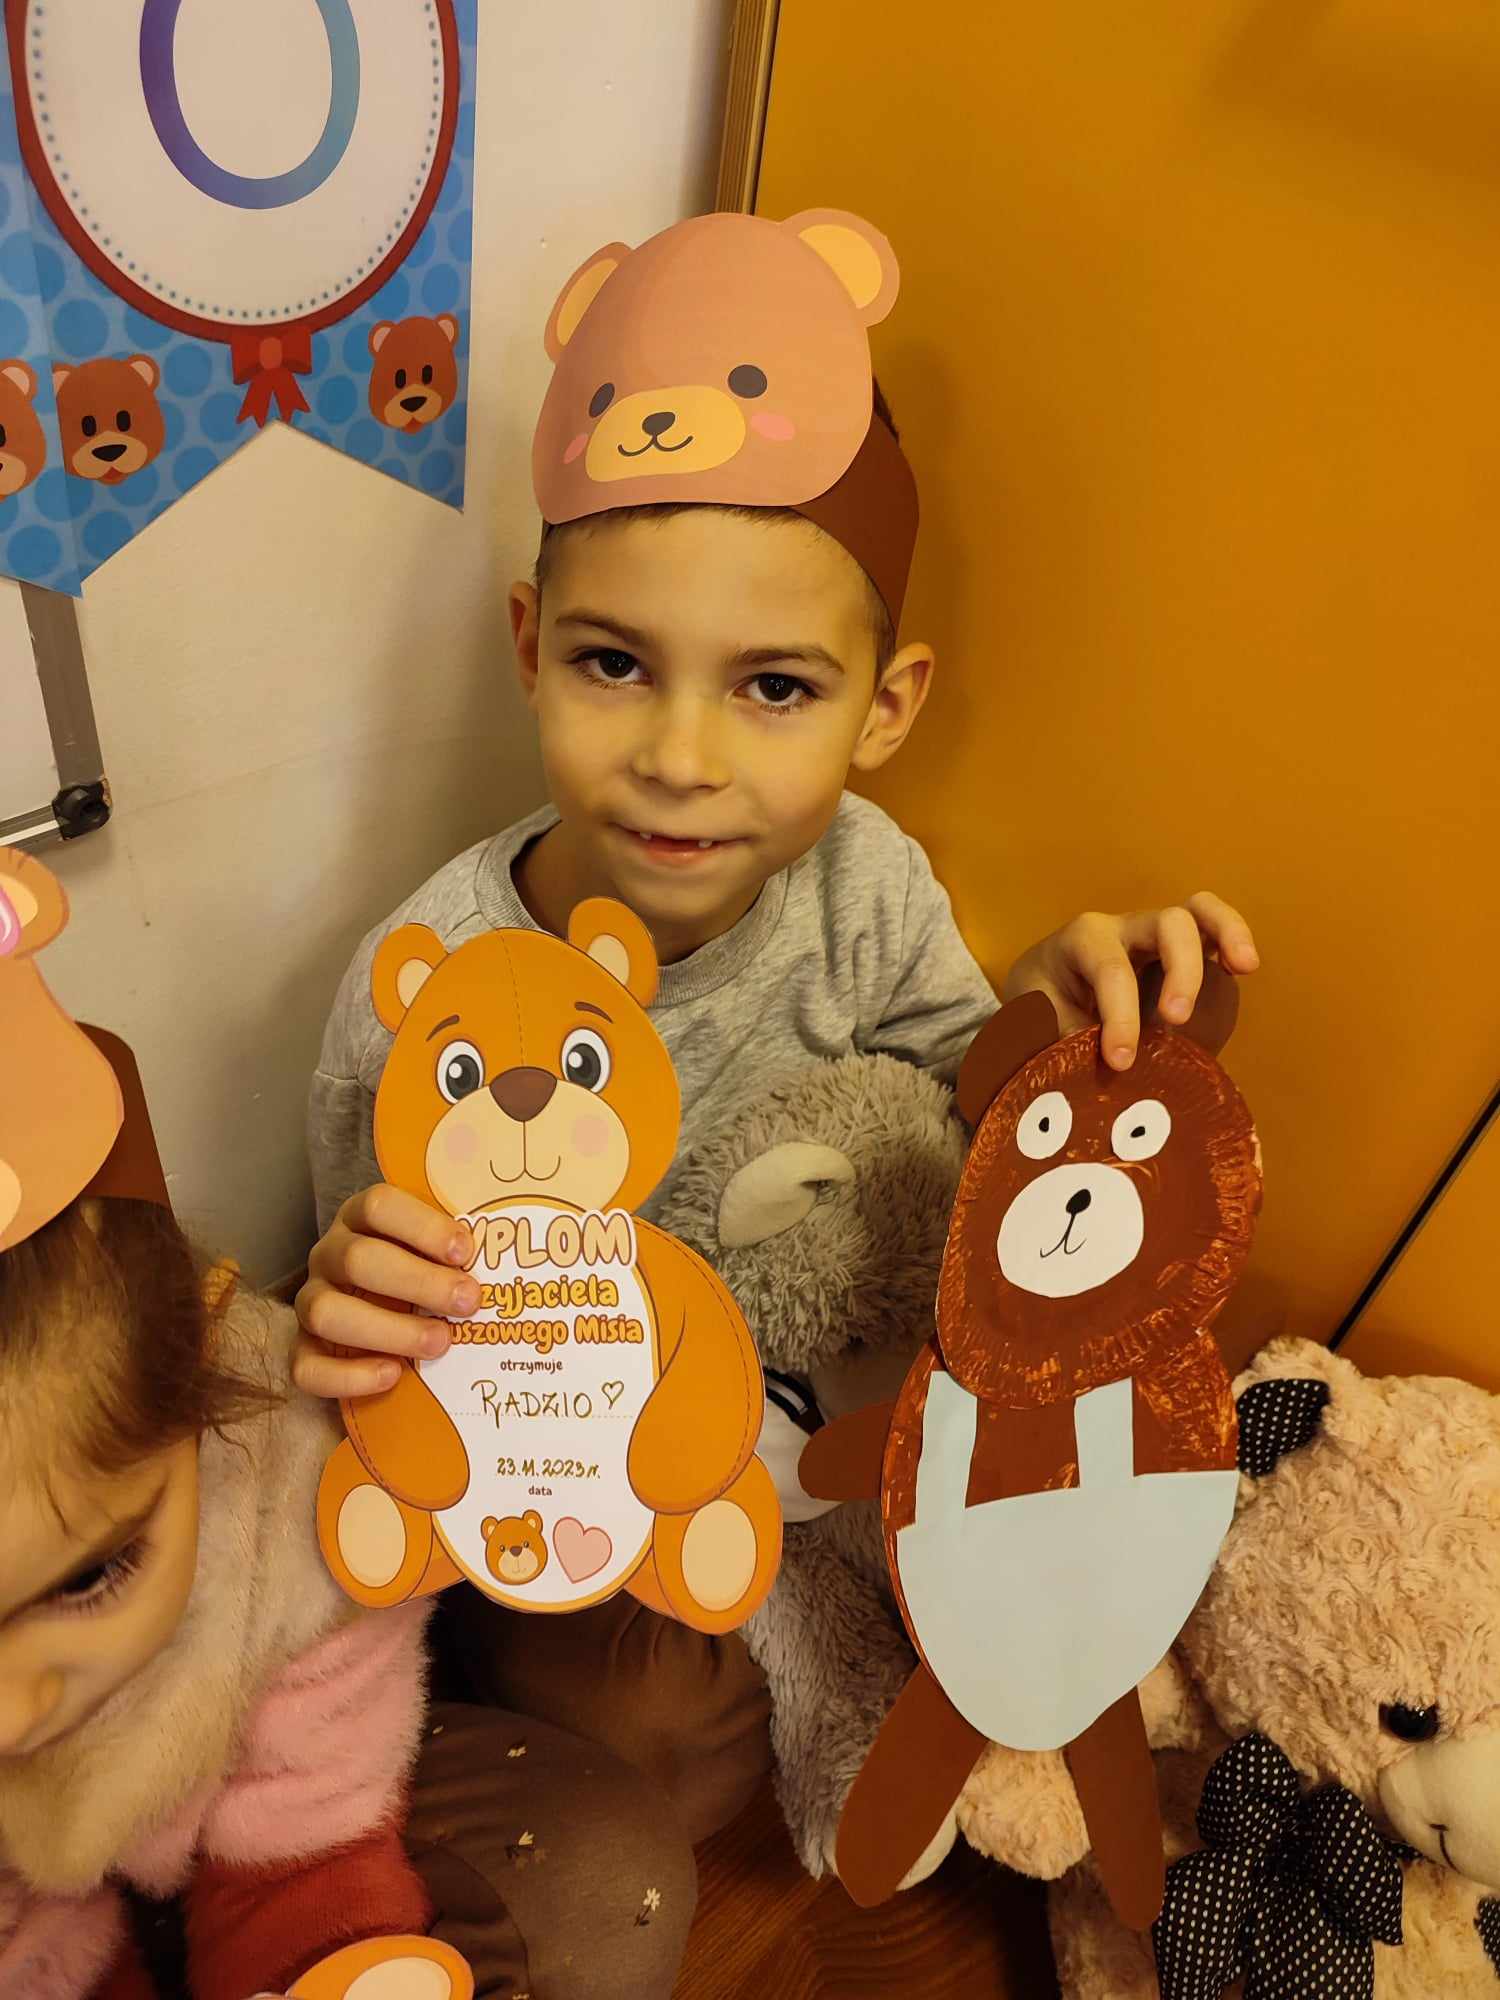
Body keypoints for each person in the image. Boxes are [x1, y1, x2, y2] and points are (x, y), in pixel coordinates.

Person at [292, 207, 1259, 1853]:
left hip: (828, 1437)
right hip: (592, 1489)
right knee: (667, 1740)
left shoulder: (865, 886)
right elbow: (357, 1329)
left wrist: (1064, 1011)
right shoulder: (430, 977)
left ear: (886, 708)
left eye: (776, 688)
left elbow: (979, 1134)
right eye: (616, 663)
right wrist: (353, 1288)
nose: (683, 756)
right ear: (530, 648)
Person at [0, 850, 694, 2000]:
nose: (15, 1707)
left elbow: (305, 1846)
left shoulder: (286, 1479)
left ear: (203, 1383)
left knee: (600, 1877)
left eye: (90, 1574)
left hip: (273, 1801)